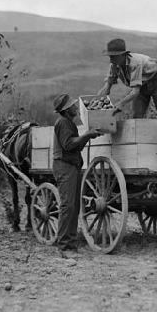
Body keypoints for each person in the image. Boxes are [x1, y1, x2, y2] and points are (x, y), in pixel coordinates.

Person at [52, 93, 102, 252]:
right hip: (65, 166)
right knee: (68, 205)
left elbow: (77, 146)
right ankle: (64, 245)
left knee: (74, 205)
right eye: (72, 106)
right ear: (66, 111)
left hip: (71, 166)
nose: (75, 107)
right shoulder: (63, 123)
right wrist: (86, 134)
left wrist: (87, 136)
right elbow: (68, 145)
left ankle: (70, 242)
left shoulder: (69, 123)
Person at [97, 38, 157, 119]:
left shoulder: (134, 63)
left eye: (113, 57)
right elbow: (107, 87)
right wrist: (98, 101)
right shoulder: (114, 64)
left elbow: (135, 91)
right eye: (110, 57)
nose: (111, 60)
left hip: (156, 81)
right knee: (136, 116)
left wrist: (121, 103)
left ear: (122, 55)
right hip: (141, 86)